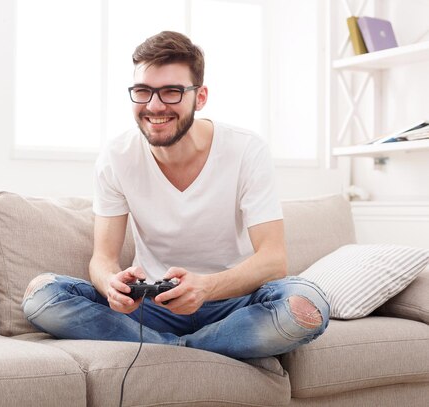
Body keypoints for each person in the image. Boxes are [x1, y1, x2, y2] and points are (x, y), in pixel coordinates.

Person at [22, 31, 329, 359]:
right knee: (42, 297)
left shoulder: (246, 149)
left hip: (233, 304)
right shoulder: (116, 156)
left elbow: (273, 259)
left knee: (308, 306)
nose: (154, 106)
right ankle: (199, 349)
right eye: (143, 92)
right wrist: (110, 283)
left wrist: (207, 287)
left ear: (200, 97)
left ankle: (170, 349)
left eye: (171, 92)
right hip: (152, 307)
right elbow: (103, 259)